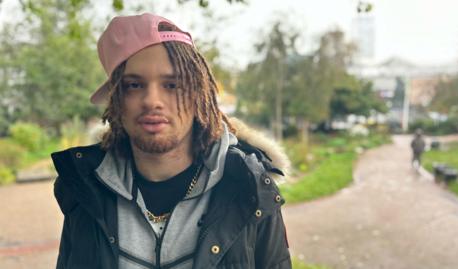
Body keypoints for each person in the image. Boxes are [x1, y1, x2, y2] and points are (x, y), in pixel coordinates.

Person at [51, 13, 292, 269]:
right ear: (116, 99)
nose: (152, 100)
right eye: (134, 85)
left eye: (173, 84)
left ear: (198, 93)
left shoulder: (250, 186)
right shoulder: (86, 188)